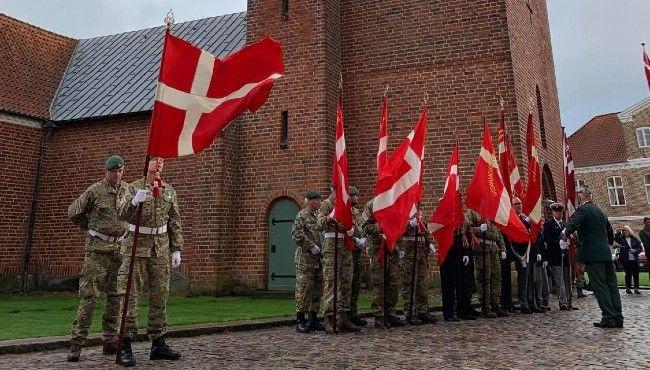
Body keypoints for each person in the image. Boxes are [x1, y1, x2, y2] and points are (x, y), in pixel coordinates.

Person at [116, 157, 182, 366]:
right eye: (155, 162)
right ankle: (125, 343)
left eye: (161, 163)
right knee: (129, 295)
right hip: (136, 245)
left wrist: (176, 249)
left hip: (160, 248)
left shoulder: (169, 190)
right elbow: (121, 214)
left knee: (160, 294)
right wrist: (134, 201)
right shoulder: (133, 188)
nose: (159, 166)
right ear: (147, 166)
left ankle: (158, 342)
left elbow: (174, 221)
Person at [66, 155, 128, 362]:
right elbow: (74, 211)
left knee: (115, 297)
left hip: (119, 250)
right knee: (90, 298)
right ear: (106, 171)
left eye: (120, 171)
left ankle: (110, 341)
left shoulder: (127, 191)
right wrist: (89, 226)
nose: (117, 175)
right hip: (98, 252)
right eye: (113, 171)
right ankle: (77, 344)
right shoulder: (95, 191)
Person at [563, 186, 622, 328]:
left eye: (578, 194)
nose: (577, 196)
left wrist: (564, 233)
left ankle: (608, 317)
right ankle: (618, 317)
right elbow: (610, 233)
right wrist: (606, 243)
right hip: (606, 254)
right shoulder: (600, 210)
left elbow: (573, 224)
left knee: (600, 286)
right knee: (612, 285)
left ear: (582, 196)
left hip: (593, 255)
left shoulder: (584, 210)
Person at [317, 184, 358, 333]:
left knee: (346, 281)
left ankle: (343, 317)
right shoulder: (326, 205)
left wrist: (353, 229)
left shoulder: (347, 206)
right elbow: (319, 224)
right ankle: (329, 317)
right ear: (332, 190)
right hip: (331, 246)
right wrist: (330, 216)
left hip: (345, 246)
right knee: (331, 282)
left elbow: (355, 225)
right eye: (338, 191)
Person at [362, 198, 404, 329]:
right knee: (379, 282)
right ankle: (379, 315)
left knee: (393, 282)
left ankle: (390, 312)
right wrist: (380, 225)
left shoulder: (395, 202)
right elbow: (364, 226)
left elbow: (400, 224)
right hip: (377, 250)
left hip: (393, 249)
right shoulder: (371, 205)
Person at [291, 190, 325, 333]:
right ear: (309, 201)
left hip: (318, 259)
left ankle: (313, 318)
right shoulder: (302, 215)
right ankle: (300, 319)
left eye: (319, 200)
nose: (318, 202)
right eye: (316, 200)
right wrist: (311, 246)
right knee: (304, 289)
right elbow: (296, 234)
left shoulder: (318, 216)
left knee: (317, 289)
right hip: (305, 259)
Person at [464, 209, 508, 318]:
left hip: (494, 249)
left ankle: (495, 304)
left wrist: (503, 249)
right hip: (482, 249)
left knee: (496, 278)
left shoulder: (491, 211)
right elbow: (467, 229)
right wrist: (479, 229)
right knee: (484, 278)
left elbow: (499, 233)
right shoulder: (472, 212)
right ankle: (485, 305)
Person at [399, 208, 437, 325]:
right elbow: (397, 228)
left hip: (421, 252)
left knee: (422, 283)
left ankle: (422, 310)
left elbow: (425, 230)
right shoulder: (402, 209)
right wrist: (409, 224)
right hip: (409, 252)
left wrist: (429, 242)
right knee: (409, 283)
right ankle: (409, 313)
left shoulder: (419, 212)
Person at [543, 202, 570, 310]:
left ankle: (568, 300)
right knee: (559, 281)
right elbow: (547, 239)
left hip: (565, 256)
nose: (558, 213)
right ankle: (563, 302)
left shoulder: (565, 225)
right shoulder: (548, 225)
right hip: (555, 256)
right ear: (553, 212)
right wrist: (558, 243)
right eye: (556, 211)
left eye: (560, 212)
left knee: (567, 280)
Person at [349, 186, 368, 327]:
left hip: (358, 252)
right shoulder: (344, 211)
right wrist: (355, 240)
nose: (357, 198)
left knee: (356, 284)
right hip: (348, 252)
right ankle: (344, 315)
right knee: (347, 284)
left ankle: (353, 313)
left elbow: (362, 228)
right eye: (355, 195)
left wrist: (363, 239)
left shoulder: (356, 212)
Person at [511, 197, 533, 314]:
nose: (519, 206)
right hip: (519, 253)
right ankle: (523, 303)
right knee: (522, 279)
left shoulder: (525, 218)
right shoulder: (513, 219)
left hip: (529, 252)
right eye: (516, 204)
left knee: (529, 279)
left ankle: (530, 302)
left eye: (519, 203)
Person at [614, 225, 643, 295]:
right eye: (623, 231)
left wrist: (635, 250)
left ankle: (636, 288)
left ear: (629, 231)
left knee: (636, 274)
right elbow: (616, 238)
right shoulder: (621, 238)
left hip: (634, 259)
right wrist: (619, 230)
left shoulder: (634, 239)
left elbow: (640, 248)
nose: (624, 232)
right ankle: (628, 288)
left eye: (626, 230)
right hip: (626, 259)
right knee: (628, 274)